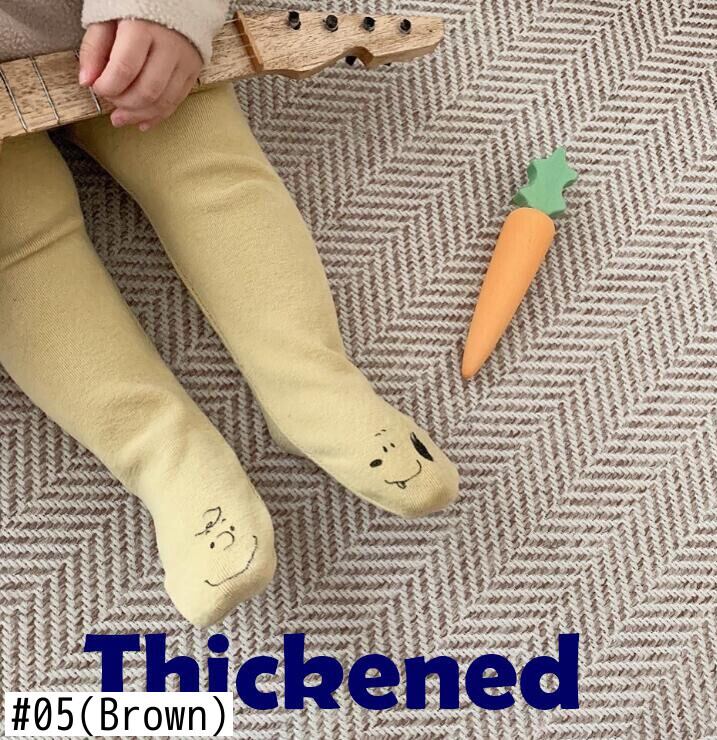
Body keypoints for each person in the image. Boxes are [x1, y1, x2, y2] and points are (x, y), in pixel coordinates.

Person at [0, 2, 459, 626]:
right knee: (19, 260)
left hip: (111, 28)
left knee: (212, 177)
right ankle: (171, 461)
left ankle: (313, 385)